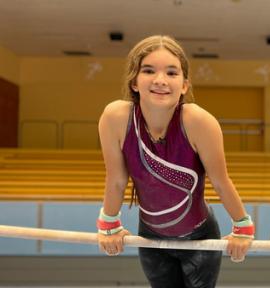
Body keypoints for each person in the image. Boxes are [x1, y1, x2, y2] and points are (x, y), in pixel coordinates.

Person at [96, 35, 254, 288]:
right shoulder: (115, 118)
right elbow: (116, 179)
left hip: (199, 237)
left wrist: (242, 227)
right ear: (134, 81)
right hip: (151, 237)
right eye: (149, 70)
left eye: (171, 72)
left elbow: (220, 181)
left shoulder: (198, 122)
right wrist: (109, 224)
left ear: (184, 85)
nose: (160, 80)